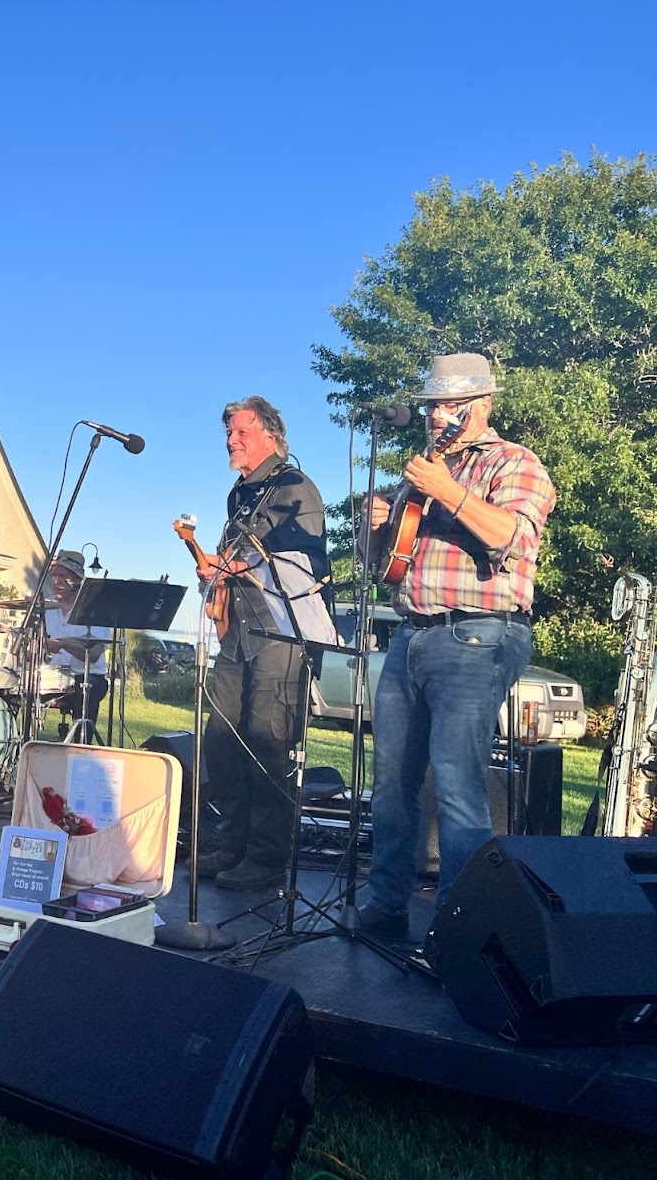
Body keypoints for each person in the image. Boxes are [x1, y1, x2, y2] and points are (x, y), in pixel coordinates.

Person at [358, 353, 556, 939]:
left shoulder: (514, 462)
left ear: (480, 405)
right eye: (430, 406)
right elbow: (386, 572)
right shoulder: (418, 473)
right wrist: (377, 531)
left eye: (448, 405)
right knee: (391, 782)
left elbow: (514, 541)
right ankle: (387, 901)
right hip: (411, 632)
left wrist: (445, 490)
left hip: (478, 632)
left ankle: (458, 924)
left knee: (457, 781)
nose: (435, 416)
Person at [186, 396, 332, 891]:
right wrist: (217, 569)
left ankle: (267, 857)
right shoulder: (238, 495)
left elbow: (301, 555)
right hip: (239, 631)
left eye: (242, 432)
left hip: (282, 632)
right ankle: (233, 843)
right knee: (224, 737)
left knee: (267, 740)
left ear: (271, 434)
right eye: (229, 432)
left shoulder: (295, 487)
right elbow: (236, 556)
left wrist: (233, 565)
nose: (232, 440)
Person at [42, 551, 110, 739]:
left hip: (86, 677)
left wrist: (63, 644)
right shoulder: (45, 609)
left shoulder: (95, 611)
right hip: (51, 677)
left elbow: (95, 652)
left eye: (62, 576)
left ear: (77, 581)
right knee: (15, 687)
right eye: (54, 575)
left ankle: (80, 747)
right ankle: (18, 744)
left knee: (86, 689)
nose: (56, 581)